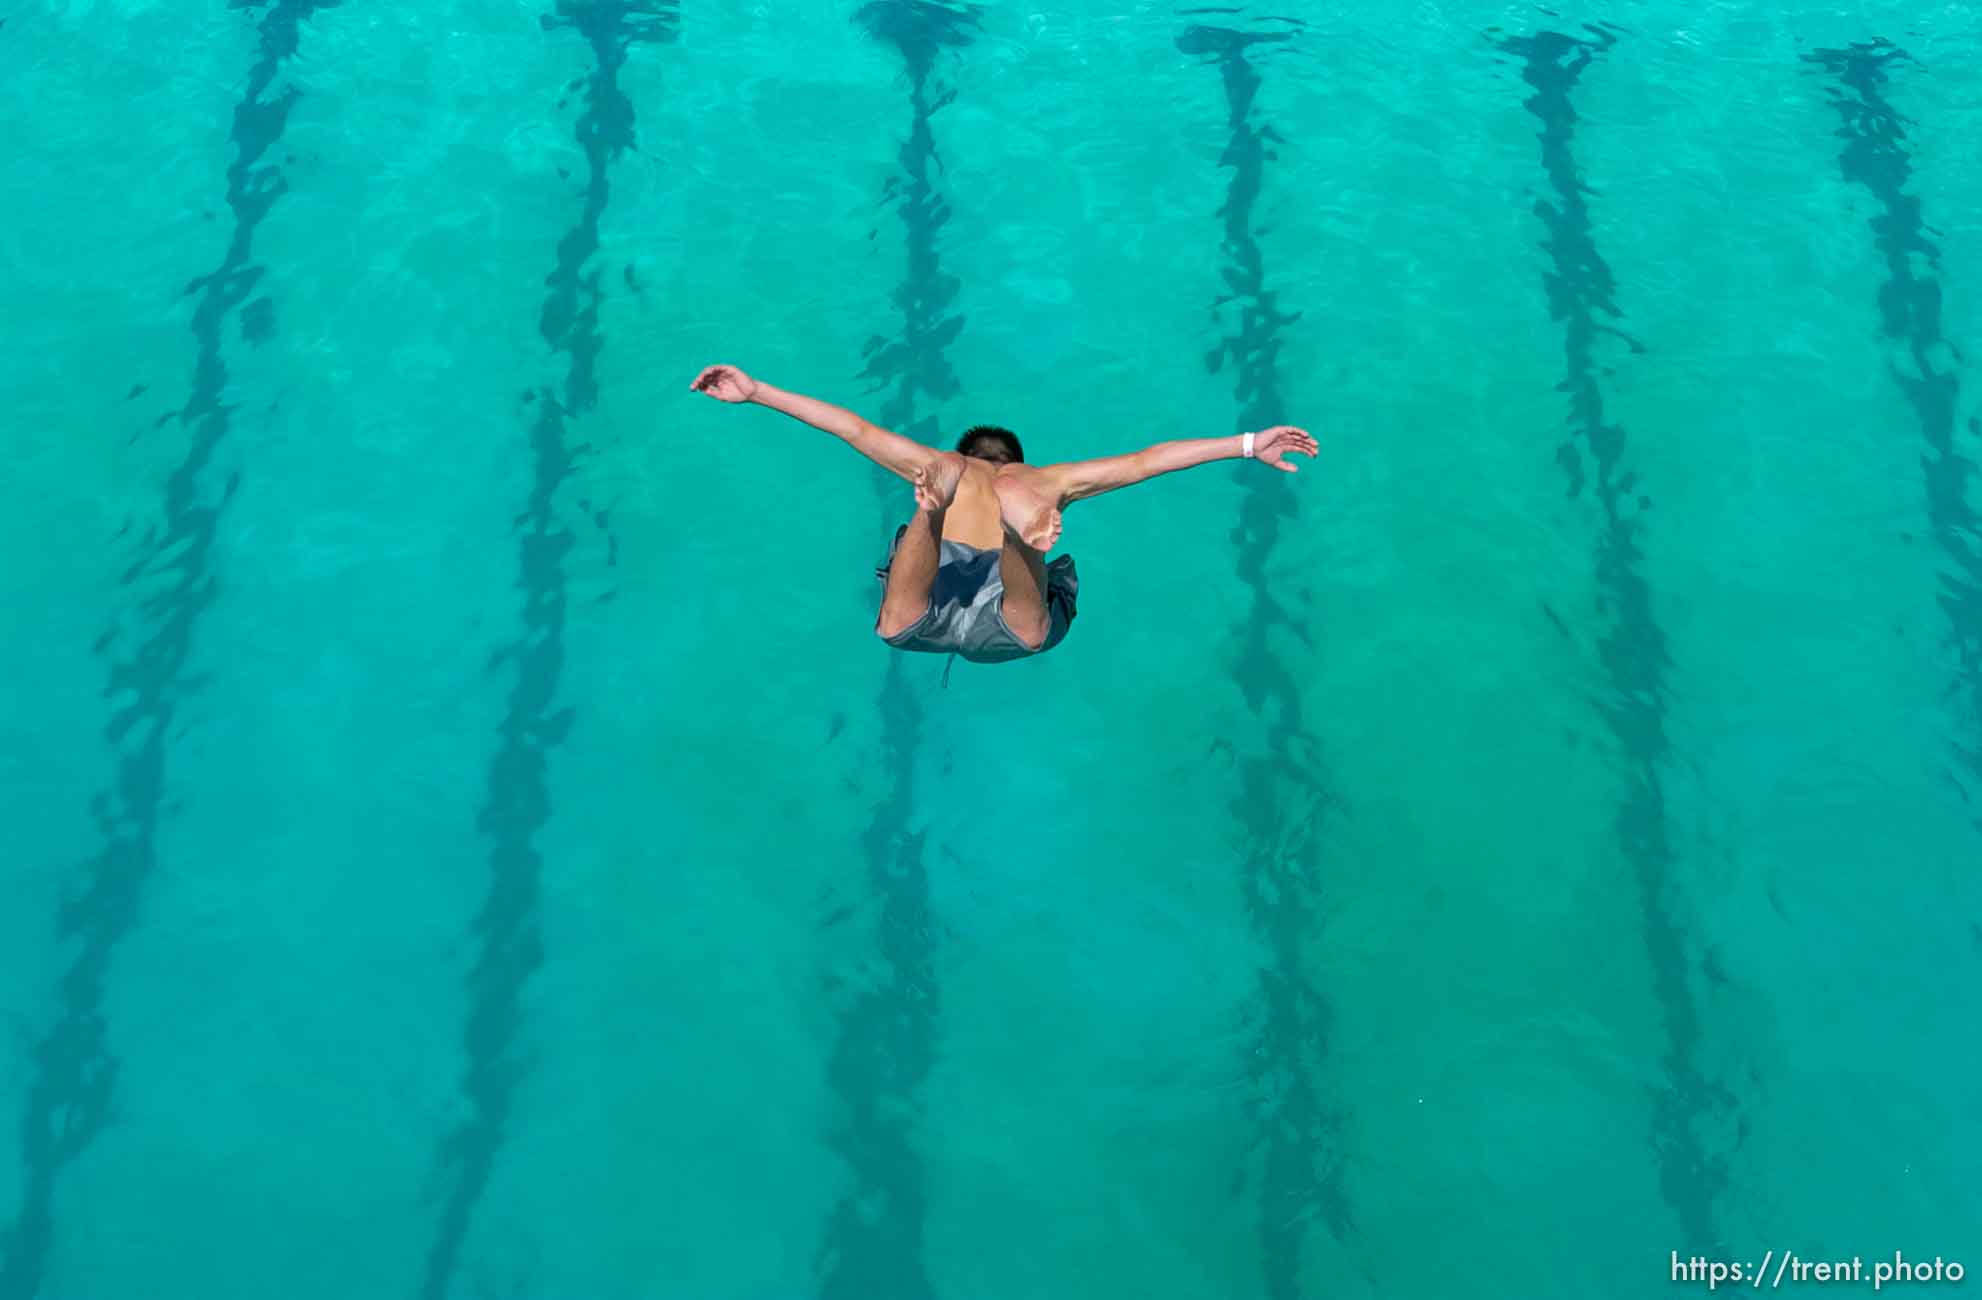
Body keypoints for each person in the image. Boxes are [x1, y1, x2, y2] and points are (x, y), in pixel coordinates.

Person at [690, 363, 1318, 663]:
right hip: (1012, 614)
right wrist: (1245, 443)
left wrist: (757, 392)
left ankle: (928, 525)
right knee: (1034, 627)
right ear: (1015, 460)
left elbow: (850, 427)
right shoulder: (1047, 478)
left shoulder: (941, 464)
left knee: (892, 621)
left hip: (927, 597)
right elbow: (1149, 460)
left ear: (968, 454)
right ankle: (1025, 547)